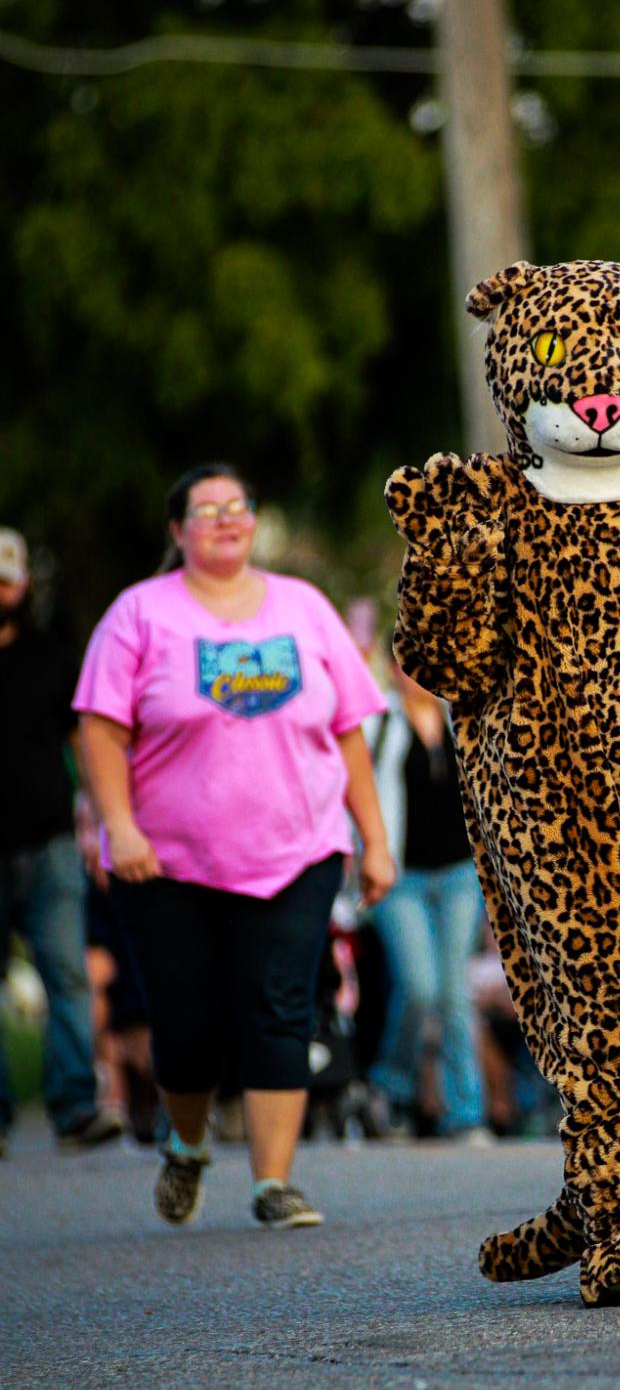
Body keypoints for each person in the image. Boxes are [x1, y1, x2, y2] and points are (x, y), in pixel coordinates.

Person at [75, 465, 394, 1230]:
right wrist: (120, 825)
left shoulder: (304, 608)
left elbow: (349, 730)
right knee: (187, 1028)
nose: (225, 519)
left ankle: (273, 1182)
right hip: (169, 860)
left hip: (298, 850)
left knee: (280, 1009)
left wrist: (374, 840)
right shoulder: (138, 615)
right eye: (205, 509)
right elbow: (100, 727)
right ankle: (186, 1145)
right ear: (177, 529)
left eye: (238, 506)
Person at [0, 527, 125, 1155]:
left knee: (69, 974)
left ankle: (77, 1107)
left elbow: (88, 746)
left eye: (6, 578)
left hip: (49, 843)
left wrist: (106, 826)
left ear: (22, 584)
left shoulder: (53, 656)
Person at [366, 655, 488, 1141]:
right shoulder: (379, 723)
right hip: (401, 880)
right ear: (394, 671)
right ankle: (390, 1085)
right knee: (421, 989)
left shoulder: (462, 718)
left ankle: (466, 1113)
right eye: (406, 665)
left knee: (455, 992)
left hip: (459, 874)